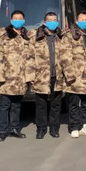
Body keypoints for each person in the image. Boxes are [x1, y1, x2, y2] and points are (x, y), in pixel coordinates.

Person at [0, 10, 34, 142]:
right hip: (7, 78)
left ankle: (14, 129)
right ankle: (2, 131)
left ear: (24, 20)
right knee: (4, 105)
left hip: (21, 79)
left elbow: (30, 58)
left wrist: (30, 77)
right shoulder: (3, 36)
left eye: (20, 18)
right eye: (15, 18)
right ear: (11, 20)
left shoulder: (27, 37)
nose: (18, 20)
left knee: (17, 105)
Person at [58, 12, 86, 139]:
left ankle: (83, 126)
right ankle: (74, 127)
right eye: (82, 19)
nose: (84, 22)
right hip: (75, 77)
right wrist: (70, 75)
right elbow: (65, 56)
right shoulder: (69, 35)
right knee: (74, 104)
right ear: (76, 21)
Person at [30, 12, 64, 140]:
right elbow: (29, 57)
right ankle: (41, 128)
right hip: (41, 76)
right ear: (44, 22)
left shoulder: (61, 36)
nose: (52, 22)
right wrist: (31, 75)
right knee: (41, 104)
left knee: (56, 104)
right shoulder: (35, 36)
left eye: (55, 20)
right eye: (50, 20)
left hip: (58, 75)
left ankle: (54, 128)